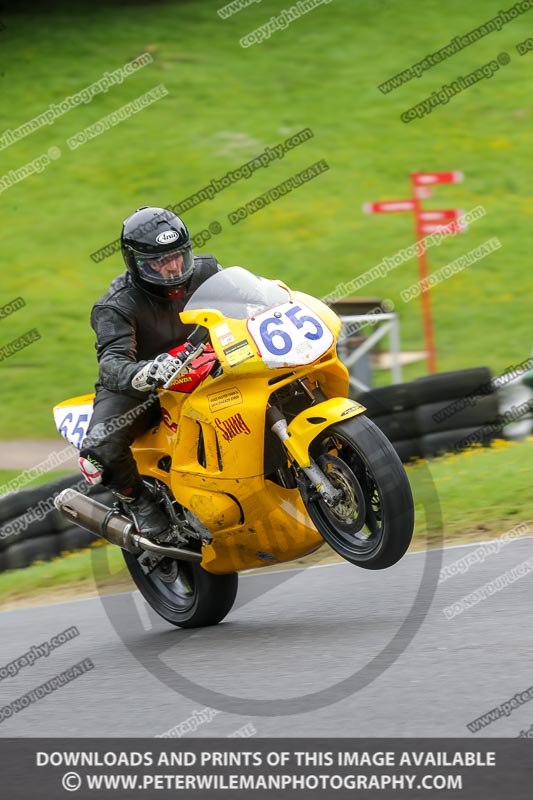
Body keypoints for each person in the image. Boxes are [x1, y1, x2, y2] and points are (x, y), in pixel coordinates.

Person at [79, 206, 222, 539]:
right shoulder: (116, 305)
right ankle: (141, 503)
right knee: (98, 451)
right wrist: (146, 372)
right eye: (159, 261)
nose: (173, 268)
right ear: (136, 263)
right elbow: (111, 364)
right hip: (146, 385)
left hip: (205, 362)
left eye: (178, 256)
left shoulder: (208, 271)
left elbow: (249, 301)